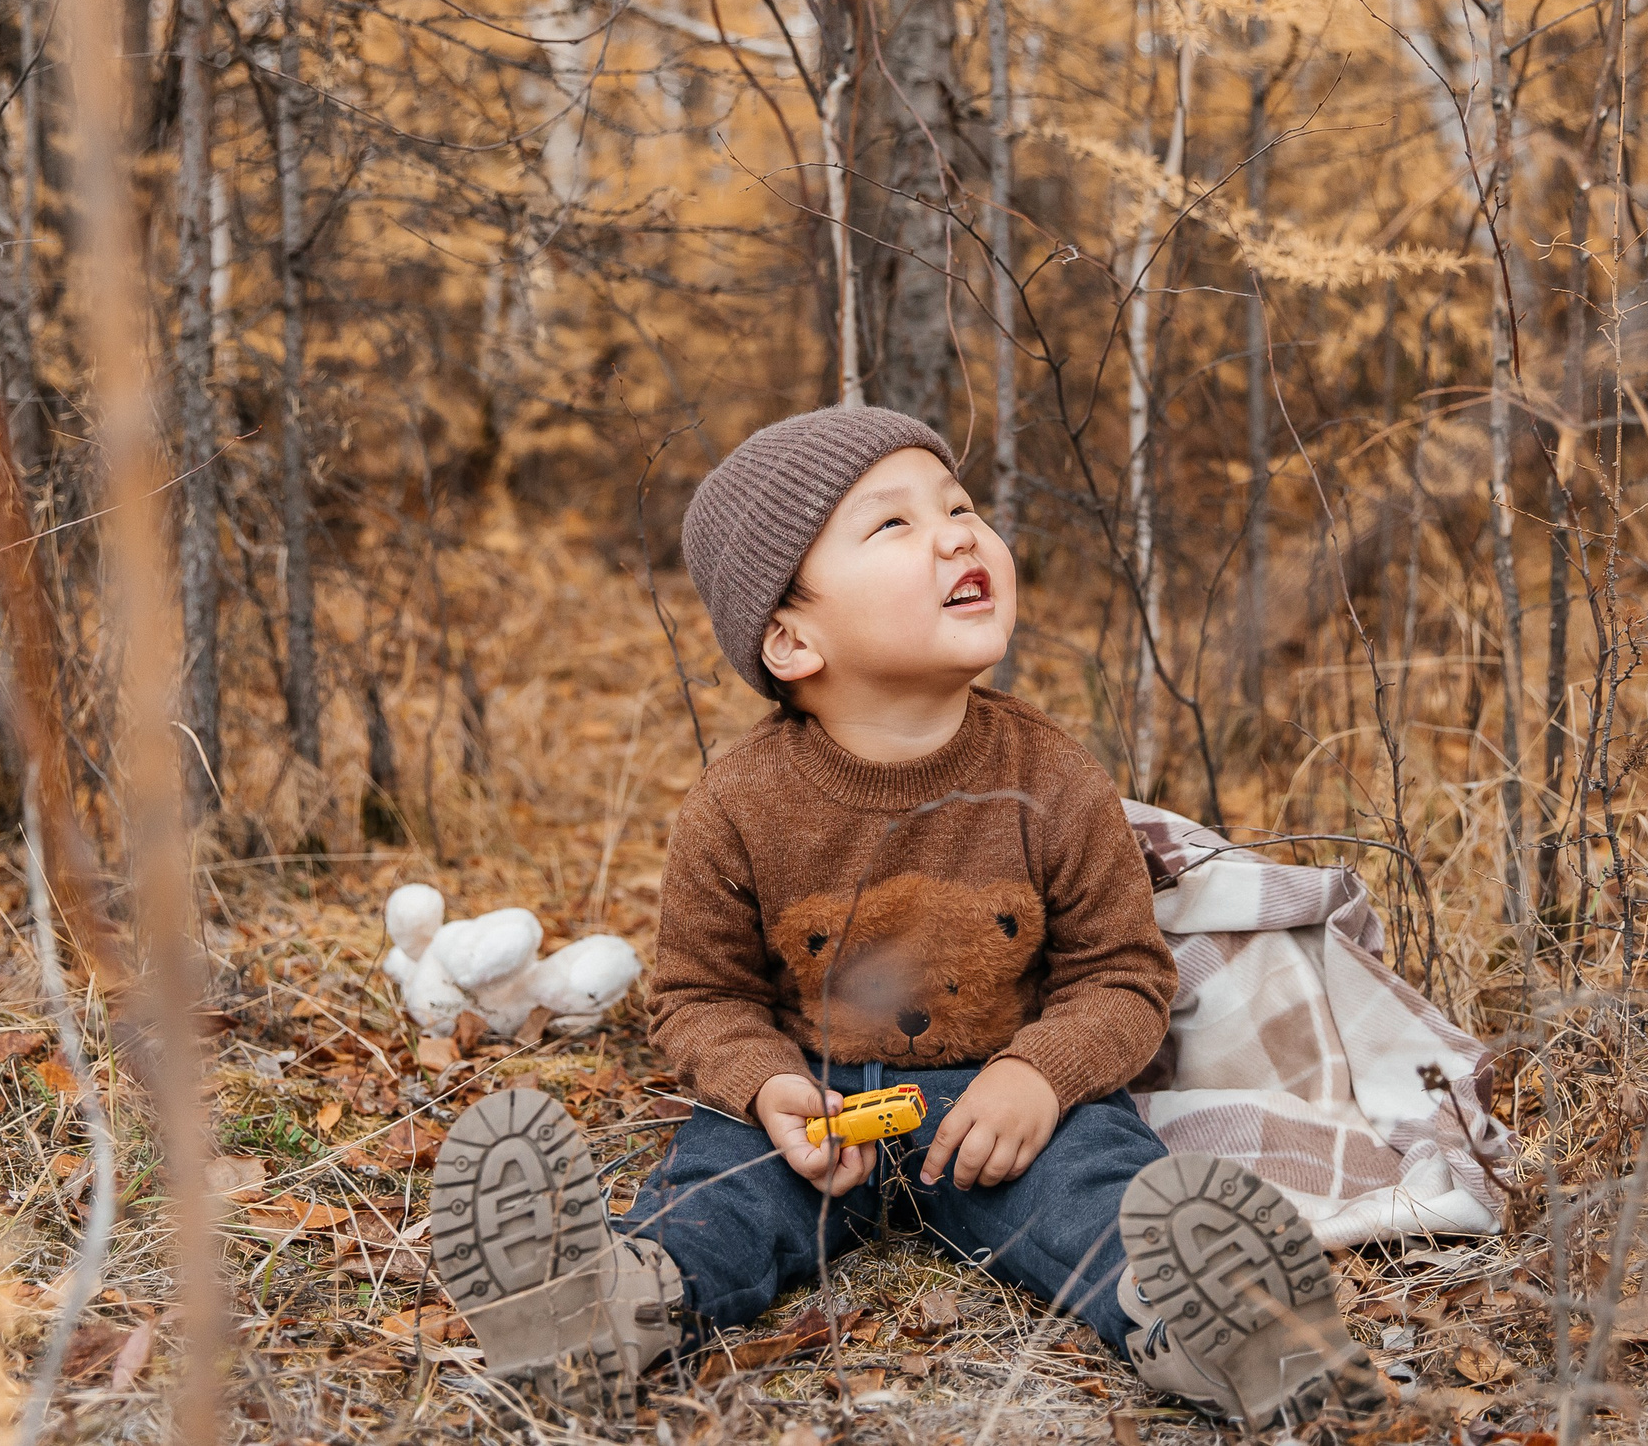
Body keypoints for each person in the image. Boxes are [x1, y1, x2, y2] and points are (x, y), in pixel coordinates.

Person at [429, 406, 1381, 1425]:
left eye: (961, 505)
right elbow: (700, 995)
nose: (960, 532)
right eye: (892, 524)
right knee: (721, 1199)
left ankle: (1218, 1324)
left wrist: (1037, 1074)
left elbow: (1124, 973)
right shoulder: (736, 805)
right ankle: (604, 1310)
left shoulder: (1049, 776)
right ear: (792, 638)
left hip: (1001, 1111)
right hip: (815, 1111)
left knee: (1096, 1188)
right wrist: (767, 1087)